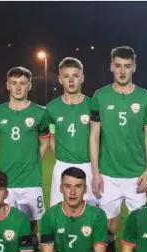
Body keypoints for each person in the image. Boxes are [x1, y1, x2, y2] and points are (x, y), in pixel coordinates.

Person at [89, 46, 147, 252]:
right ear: (111, 66)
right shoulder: (100, 95)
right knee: (108, 225)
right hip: (108, 174)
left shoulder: (145, 97)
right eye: (118, 66)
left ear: (134, 68)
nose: (122, 71)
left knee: (141, 225)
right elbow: (94, 134)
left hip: (136, 175)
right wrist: (96, 172)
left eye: (127, 66)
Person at [0, 66, 50, 252]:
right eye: (14, 83)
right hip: (6, 182)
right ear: (7, 85)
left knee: (31, 229)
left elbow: (45, 143)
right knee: (6, 226)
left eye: (22, 83)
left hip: (31, 182)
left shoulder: (40, 112)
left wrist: (33, 163)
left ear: (29, 85)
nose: (18, 87)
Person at [46, 57, 98, 207]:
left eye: (75, 76)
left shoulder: (93, 105)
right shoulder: (51, 108)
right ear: (60, 79)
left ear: (82, 78)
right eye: (66, 76)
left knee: (90, 213)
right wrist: (62, 158)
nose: (71, 80)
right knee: (58, 212)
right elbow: (52, 136)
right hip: (62, 166)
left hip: (89, 166)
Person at [38, 167, 109, 252]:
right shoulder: (49, 216)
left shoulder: (97, 215)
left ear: (85, 189)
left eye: (78, 186)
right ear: (61, 188)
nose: (72, 192)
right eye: (67, 186)